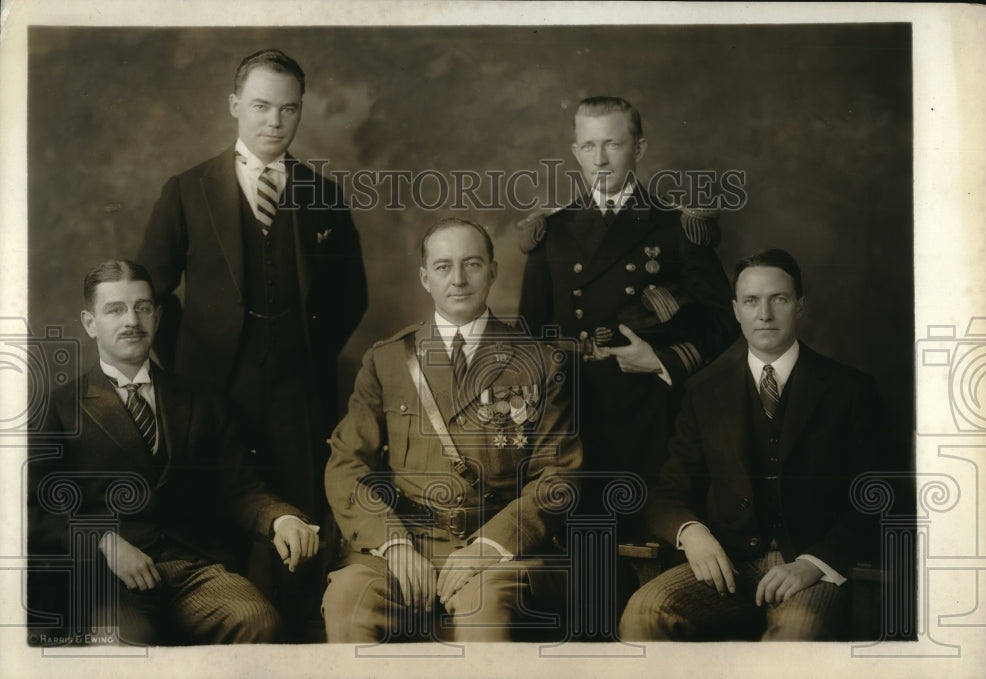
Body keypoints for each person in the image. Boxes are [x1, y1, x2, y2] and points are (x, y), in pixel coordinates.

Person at [135, 49, 366, 631]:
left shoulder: (324, 195)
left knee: (300, 533)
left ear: (300, 111)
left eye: (288, 109)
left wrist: (305, 353)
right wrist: (189, 361)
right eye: (261, 106)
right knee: (217, 525)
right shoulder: (187, 190)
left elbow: (350, 296)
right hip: (212, 392)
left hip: (298, 397)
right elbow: (151, 291)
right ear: (235, 105)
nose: (274, 121)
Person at [517, 96, 738, 630]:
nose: (600, 159)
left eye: (613, 144)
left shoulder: (675, 226)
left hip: (651, 419)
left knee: (650, 567)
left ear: (638, 147)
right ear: (574, 151)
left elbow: (723, 318)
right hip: (573, 419)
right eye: (589, 146)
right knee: (584, 567)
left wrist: (663, 360)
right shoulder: (552, 230)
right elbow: (530, 332)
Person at [27, 260, 319, 645]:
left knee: (259, 622)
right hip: (106, 577)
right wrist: (101, 540)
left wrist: (280, 519)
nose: (132, 320)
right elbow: (37, 508)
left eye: (143, 307)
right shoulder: (59, 407)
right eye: (115, 310)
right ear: (90, 323)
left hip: (193, 570)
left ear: (158, 316)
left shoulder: (202, 400)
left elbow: (240, 488)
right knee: (126, 644)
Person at [321, 218, 583, 643]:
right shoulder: (387, 361)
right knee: (349, 603)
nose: (458, 280)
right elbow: (346, 465)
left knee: (485, 610)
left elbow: (559, 478)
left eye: (472, 264)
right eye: (443, 267)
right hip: (405, 542)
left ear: (493, 272)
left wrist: (490, 546)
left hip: (497, 548)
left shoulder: (540, 362)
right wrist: (393, 543)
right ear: (425, 278)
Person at [618, 249, 884, 640]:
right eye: (751, 301)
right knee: (644, 613)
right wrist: (691, 533)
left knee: (797, 635)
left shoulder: (851, 390)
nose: (765, 314)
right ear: (735, 310)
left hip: (809, 571)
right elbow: (668, 494)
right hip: (728, 566)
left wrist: (814, 563)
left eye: (779, 299)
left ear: (800, 305)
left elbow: (879, 497)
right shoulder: (703, 391)